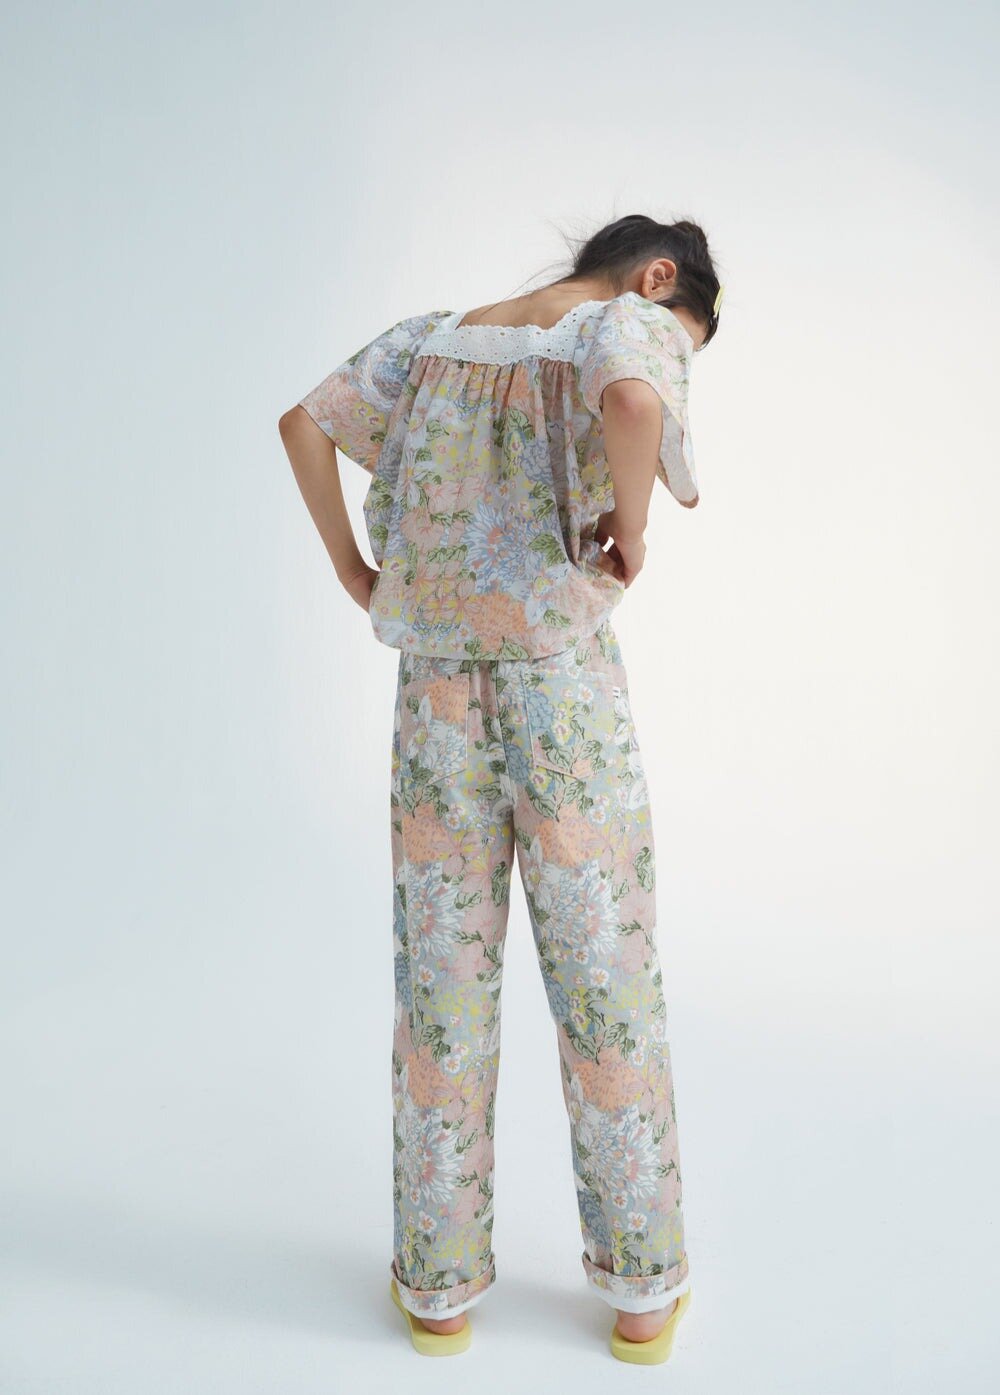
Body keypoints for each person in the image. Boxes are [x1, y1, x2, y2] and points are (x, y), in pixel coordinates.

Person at [278, 212, 723, 1361]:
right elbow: (634, 404)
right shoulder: (619, 324)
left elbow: (303, 424)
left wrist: (354, 568)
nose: (676, 352)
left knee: (443, 985)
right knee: (604, 974)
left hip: (434, 694)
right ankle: (639, 1294)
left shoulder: (434, 340)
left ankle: (437, 1293)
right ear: (657, 278)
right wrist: (631, 531)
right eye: (689, 333)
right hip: (558, 687)